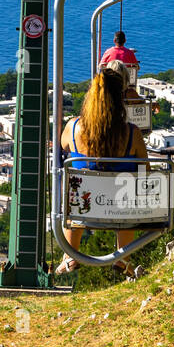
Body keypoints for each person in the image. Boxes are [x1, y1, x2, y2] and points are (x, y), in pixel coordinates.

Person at [55, 66, 148, 276]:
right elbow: (146, 171)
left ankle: (71, 255)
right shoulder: (132, 133)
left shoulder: (73, 127)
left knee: (75, 189)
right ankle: (123, 258)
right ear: (120, 98)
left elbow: (61, 150)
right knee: (129, 192)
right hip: (121, 211)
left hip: (83, 209)